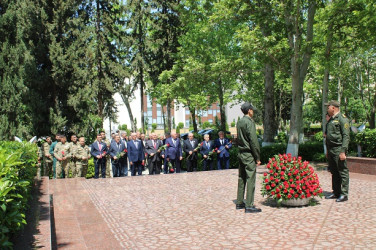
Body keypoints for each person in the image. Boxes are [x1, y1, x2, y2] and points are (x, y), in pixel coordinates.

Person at [236, 102, 262, 213]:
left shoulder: (240, 122)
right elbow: (253, 141)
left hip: (241, 153)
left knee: (241, 178)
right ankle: (249, 205)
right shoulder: (249, 122)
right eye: (252, 110)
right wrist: (257, 157)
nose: (253, 111)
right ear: (249, 110)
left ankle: (239, 202)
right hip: (248, 154)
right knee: (250, 178)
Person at [324, 100, 350, 202]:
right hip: (331, 150)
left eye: (328, 107)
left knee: (342, 172)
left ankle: (344, 194)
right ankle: (336, 192)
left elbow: (346, 136)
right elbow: (328, 136)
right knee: (334, 172)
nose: (327, 109)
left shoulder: (342, 119)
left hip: (339, 149)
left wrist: (343, 151)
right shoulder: (331, 120)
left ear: (333, 108)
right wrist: (327, 151)